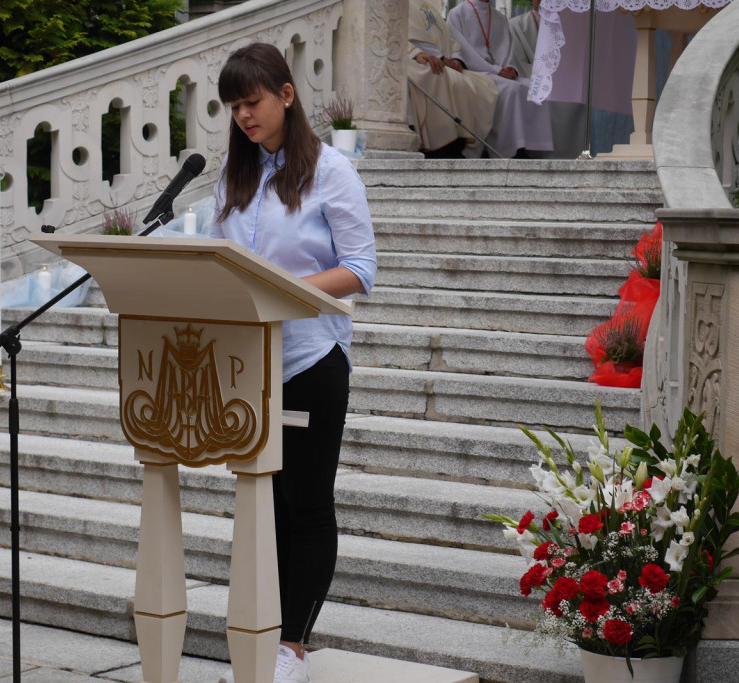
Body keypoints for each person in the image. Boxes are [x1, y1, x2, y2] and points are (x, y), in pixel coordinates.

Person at [210, 42, 377, 683]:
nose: (244, 116)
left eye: (251, 102)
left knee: (306, 505)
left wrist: (287, 293)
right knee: (262, 506)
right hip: (247, 363)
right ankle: (260, 642)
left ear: (285, 94)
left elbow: (360, 269)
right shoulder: (234, 175)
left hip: (311, 356)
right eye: (233, 107)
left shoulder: (331, 171)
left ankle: (293, 647)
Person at [446, 0, 554, 158]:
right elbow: (462, 51)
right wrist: (496, 69)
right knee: (512, 90)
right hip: (477, 72)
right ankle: (508, 149)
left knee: (535, 89)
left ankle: (532, 146)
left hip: (499, 73)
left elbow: (508, 49)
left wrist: (511, 68)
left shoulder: (500, 17)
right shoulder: (457, 13)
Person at [407, 0, 499, 158]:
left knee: (484, 84)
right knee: (442, 77)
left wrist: (456, 60)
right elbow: (410, 38)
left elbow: (451, 40)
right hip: (420, 59)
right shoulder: (404, 5)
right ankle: (442, 142)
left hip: (443, 62)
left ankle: (460, 140)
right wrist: (438, 58)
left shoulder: (431, 8)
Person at [507, 0, 586, 158]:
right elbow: (519, 63)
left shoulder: (567, 23)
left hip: (565, 83)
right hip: (533, 81)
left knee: (578, 100)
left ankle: (574, 156)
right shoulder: (516, 25)